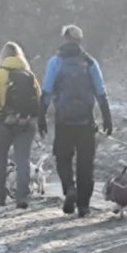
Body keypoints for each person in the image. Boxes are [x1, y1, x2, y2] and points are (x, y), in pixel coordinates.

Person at [40, 25, 112, 217]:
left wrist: (41, 117)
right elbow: (101, 92)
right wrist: (107, 117)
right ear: (80, 40)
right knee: (85, 163)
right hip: (86, 120)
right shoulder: (90, 62)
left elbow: (46, 91)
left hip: (64, 120)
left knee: (63, 157)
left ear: (64, 39)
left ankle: (69, 188)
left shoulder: (56, 62)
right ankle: (84, 205)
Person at [0, 41, 42, 209]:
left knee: (0, 159)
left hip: (3, 122)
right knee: (23, 160)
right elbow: (39, 99)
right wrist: (36, 121)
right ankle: (22, 196)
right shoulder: (29, 75)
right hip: (26, 123)